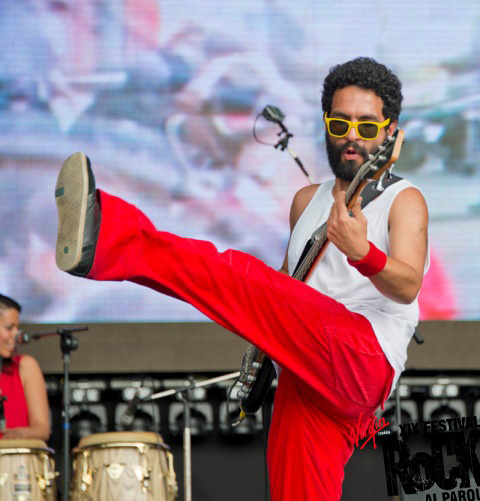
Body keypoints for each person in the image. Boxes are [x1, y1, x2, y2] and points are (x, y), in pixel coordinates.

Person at [54, 57, 428, 500]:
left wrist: (363, 253)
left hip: (362, 357)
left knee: (230, 273)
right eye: (340, 123)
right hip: (307, 369)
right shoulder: (305, 201)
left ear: (390, 132)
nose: (352, 136)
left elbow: (407, 286)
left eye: (367, 126)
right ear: (326, 124)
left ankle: (107, 236)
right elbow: (285, 291)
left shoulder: (404, 199)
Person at [0, 294, 50, 441]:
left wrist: (19, 434)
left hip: (16, 453)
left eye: (17, 328)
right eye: (10, 328)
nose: (16, 335)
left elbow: (42, 428)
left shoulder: (25, 366)